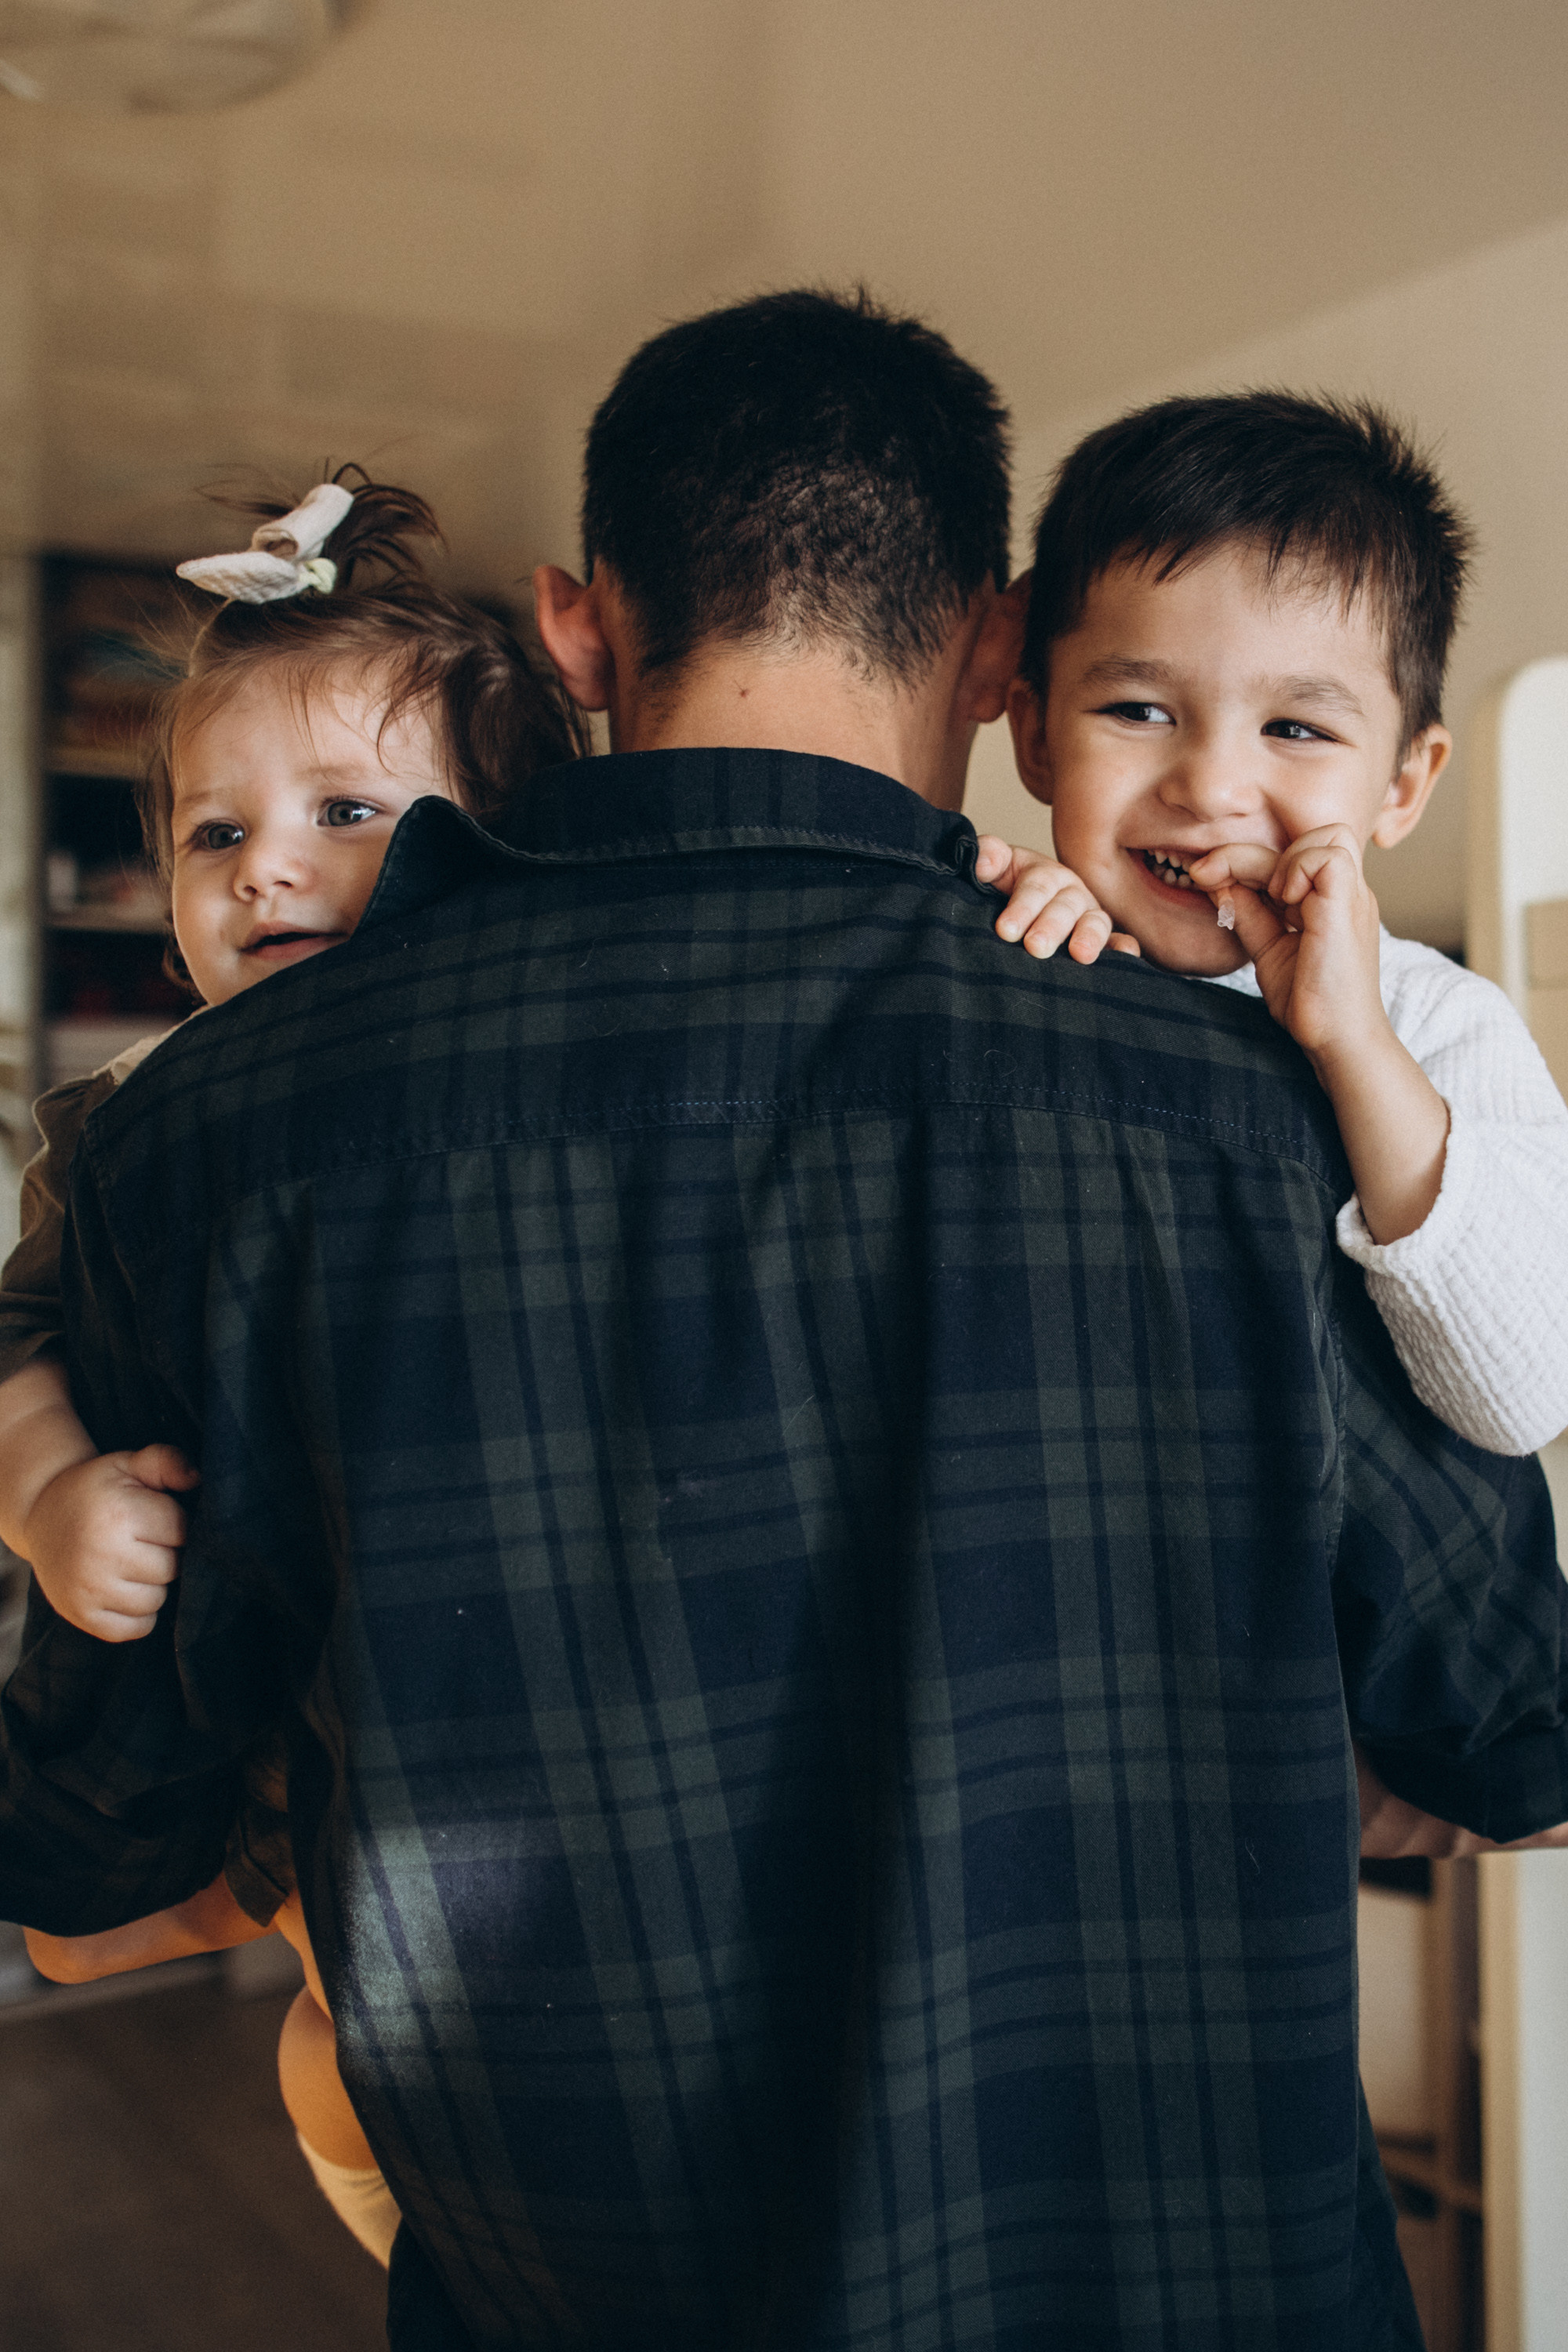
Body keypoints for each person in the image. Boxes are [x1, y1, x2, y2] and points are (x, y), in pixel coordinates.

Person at [2, 288, 1567, 2351]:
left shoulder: (199, 1143)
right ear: (1005, 654)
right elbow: (1522, 1737)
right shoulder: (1256, 1114)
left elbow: (90, 1866)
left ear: (574, 632)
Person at [0, 467, 586, 2264]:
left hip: (485, 1698)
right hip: (257, 1700)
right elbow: (11, 1334)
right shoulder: (125, 1127)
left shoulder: (538, 1076)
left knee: (442, 2018)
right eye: (210, 833)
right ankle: (414, 2238)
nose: (268, 864)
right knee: (344, 2022)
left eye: (345, 812)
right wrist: (44, 1493)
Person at [978, 390, 1568, 1457]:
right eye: (1139, 711)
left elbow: (1529, 1392)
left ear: (1401, 784)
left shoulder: (1438, 1024)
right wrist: (1018, 944)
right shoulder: (1028, 943)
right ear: (1035, 736)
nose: (1211, 786)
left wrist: (1358, 1048)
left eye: (1295, 727)